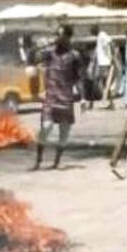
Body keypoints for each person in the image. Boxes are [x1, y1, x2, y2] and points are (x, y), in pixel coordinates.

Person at [31, 25, 83, 171]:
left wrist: (83, 97)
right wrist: (42, 46)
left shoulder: (74, 56)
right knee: (45, 128)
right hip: (51, 97)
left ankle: (56, 162)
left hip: (66, 98)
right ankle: (38, 161)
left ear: (68, 37)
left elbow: (79, 77)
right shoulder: (49, 52)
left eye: (61, 35)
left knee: (64, 133)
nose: (58, 38)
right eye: (57, 35)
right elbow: (34, 58)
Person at [89, 25, 116, 110]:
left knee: (95, 82)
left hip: (104, 64)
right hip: (102, 63)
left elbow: (111, 43)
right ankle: (111, 104)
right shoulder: (99, 37)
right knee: (105, 83)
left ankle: (91, 104)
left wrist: (112, 57)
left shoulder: (102, 35)